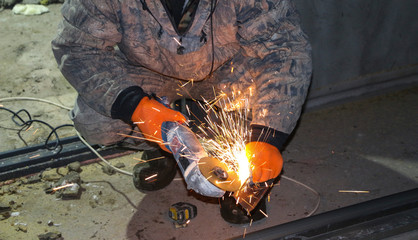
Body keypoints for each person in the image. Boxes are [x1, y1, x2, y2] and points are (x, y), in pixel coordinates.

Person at [52, 0, 312, 224]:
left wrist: (268, 136)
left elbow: (283, 51)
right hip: (147, 73)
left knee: (263, 101)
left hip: (225, 70)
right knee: (97, 121)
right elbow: (78, 48)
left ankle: (243, 180)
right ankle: (160, 147)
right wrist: (136, 106)